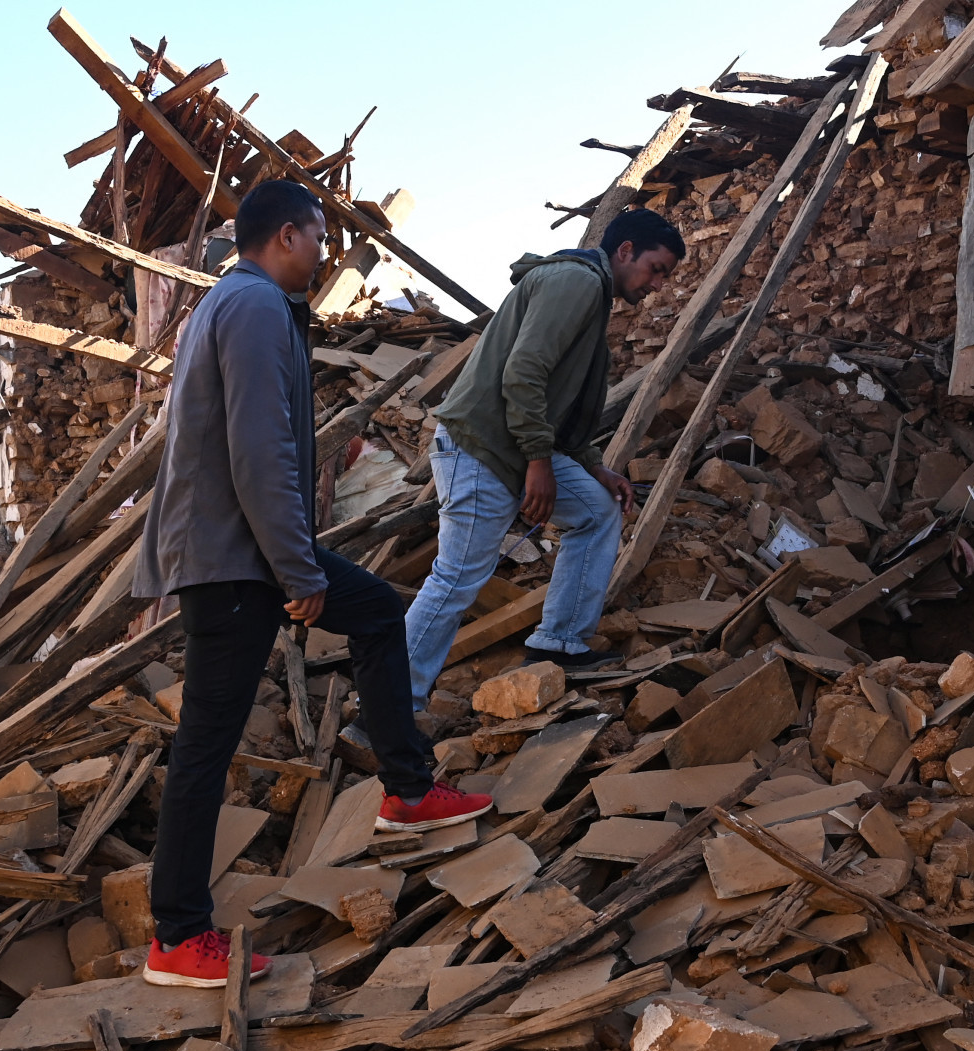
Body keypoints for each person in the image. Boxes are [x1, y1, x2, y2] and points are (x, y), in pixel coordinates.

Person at [132, 180, 494, 989]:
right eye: (321, 236)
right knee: (206, 743)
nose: (327, 253)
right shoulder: (254, 307)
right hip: (235, 559)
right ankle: (178, 935)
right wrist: (296, 571)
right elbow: (259, 453)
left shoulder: (236, 304)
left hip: (241, 550)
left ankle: (406, 790)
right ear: (288, 235)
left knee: (376, 614)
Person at [404, 209, 686, 709]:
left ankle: (557, 641)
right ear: (625, 251)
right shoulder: (576, 282)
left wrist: (592, 465)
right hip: (484, 448)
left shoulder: (592, 292)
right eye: (657, 268)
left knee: (597, 511)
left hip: (515, 445)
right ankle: (390, 704)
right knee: (457, 579)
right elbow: (524, 373)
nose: (658, 284)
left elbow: (564, 399)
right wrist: (539, 461)